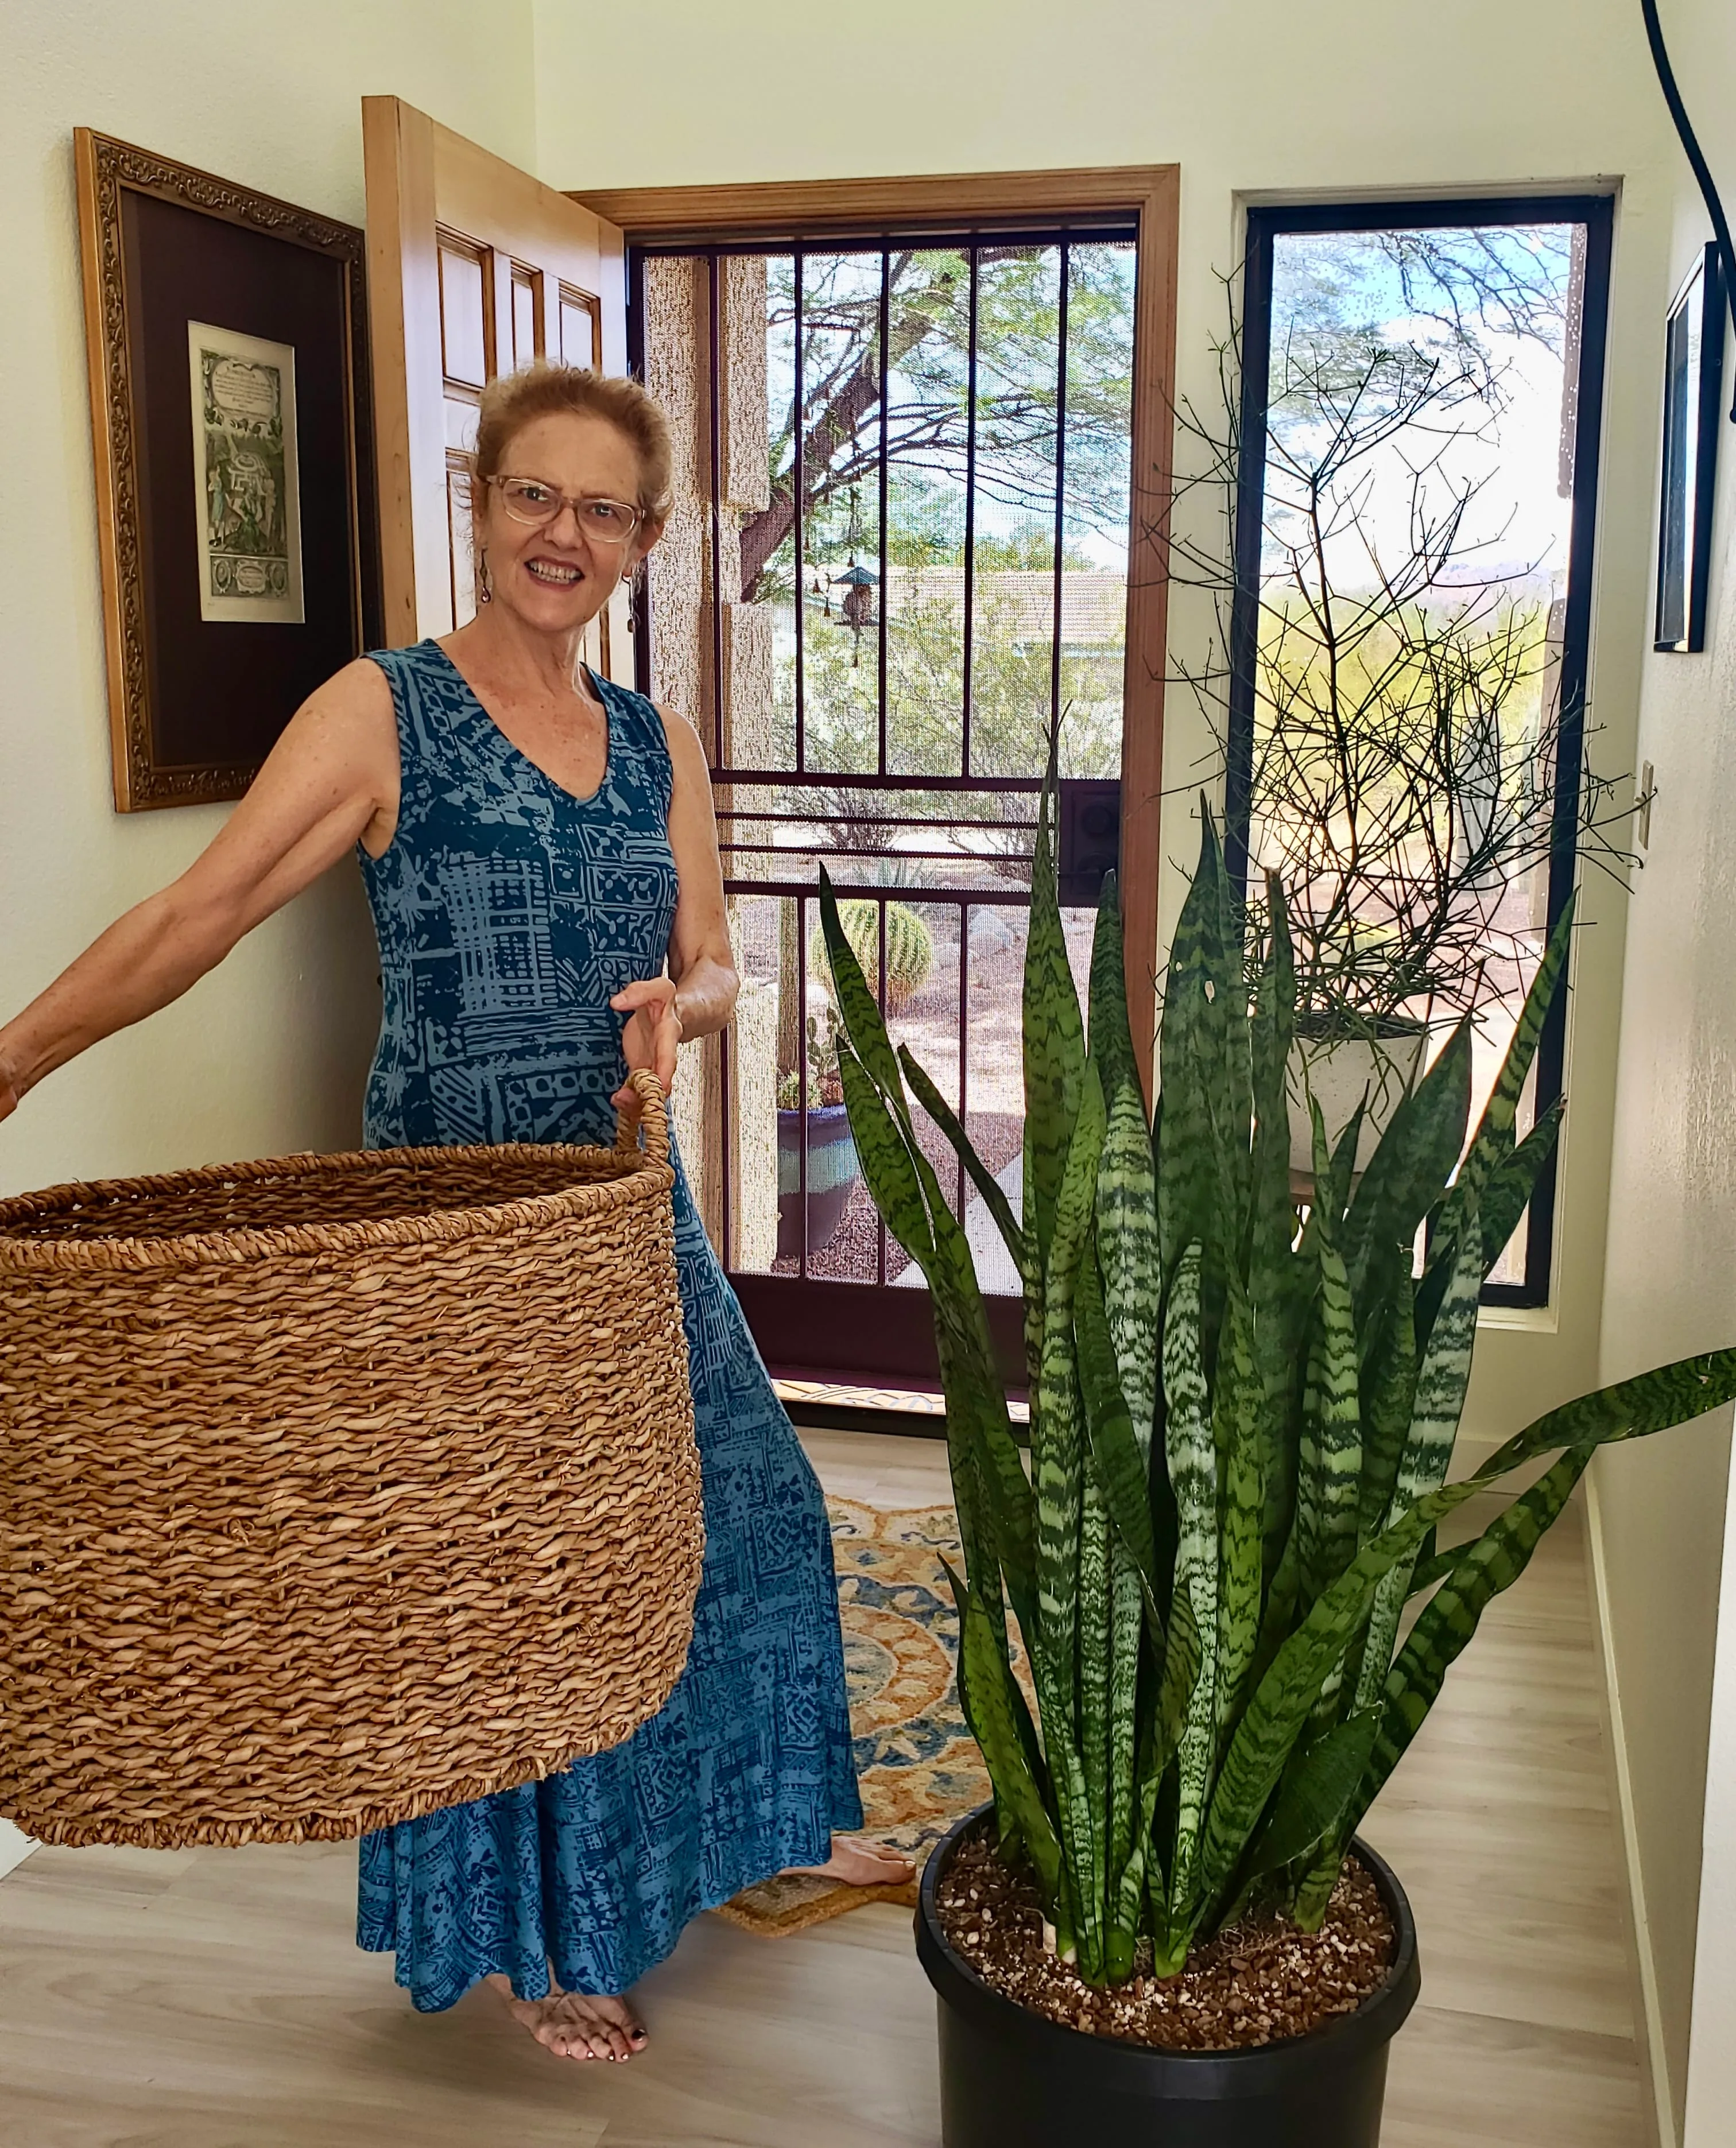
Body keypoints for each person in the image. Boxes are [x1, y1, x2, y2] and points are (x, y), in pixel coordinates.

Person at [0, 362, 910, 2064]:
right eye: (532, 496)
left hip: (622, 1210)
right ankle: (545, 1938)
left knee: (748, 1510)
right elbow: (201, 911)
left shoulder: (659, 738)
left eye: (604, 508)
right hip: (449, 1241)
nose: (563, 532)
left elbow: (714, 950)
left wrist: (692, 1007)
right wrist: (16, 1059)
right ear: (481, 506)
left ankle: (754, 1823)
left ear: (645, 539)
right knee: (502, 1601)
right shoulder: (384, 711)